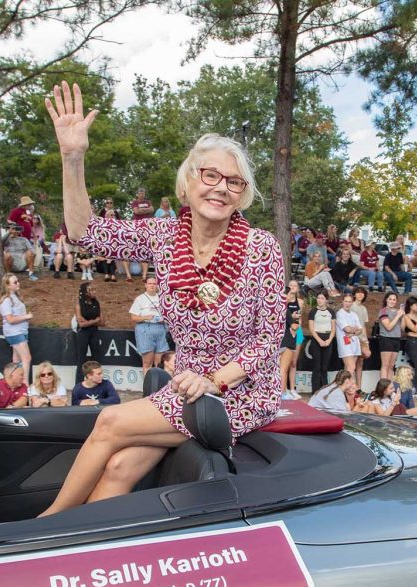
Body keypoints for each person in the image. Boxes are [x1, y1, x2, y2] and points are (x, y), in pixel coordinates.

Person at [41, 85, 284, 513]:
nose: (220, 188)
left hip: (239, 394)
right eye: (210, 175)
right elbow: (85, 233)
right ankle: (78, 547)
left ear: (242, 194)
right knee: (118, 466)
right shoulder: (163, 235)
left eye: (233, 181)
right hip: (187, 389)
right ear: (188, 181)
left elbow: (267, 342)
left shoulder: (262, 247)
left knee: (109, 420)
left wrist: (216, 381)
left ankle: (42, 527)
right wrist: (72, 158)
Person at [130, 275, 170, 374]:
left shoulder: (162, 298)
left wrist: (164, 319)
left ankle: (159, 387)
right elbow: (133, 317)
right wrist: (145, 317)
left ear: (157, 285)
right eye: (150, 283)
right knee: (147, 363)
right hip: (145, 328)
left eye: (154, 283)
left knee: (160, 363)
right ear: (146, 285)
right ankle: (148, 388)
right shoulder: (140, 299)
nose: (152, 285)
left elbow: (169, 314)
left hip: (160, 328)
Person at [0, 273, 34, 379]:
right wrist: (26, 316)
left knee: (17, 360)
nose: (18, 283)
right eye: (15, 282)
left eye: (17, 281)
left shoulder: (15, 297)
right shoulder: (6, 301)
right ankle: (25, 384)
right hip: (14, 332)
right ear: (7, 285)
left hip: (21, 331)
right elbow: (10, 319)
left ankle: (14, 381)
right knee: (26, 358)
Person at [307, 293, 335, 393]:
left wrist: (329, 340)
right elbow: (311, 328)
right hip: (316, 339)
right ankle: (315, 391)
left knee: (324, 367)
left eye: (322, 298)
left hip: (328, 339)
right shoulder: (313, 312)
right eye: (318, 298)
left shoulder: (331, 312)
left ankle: (324, 391)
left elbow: (333, 328)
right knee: (317, 366)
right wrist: (319, 340)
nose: (319, 300)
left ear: (326, 300)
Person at [75, 281, 103, 381]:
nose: (94, 292)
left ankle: (96, 380)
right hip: (83, 332)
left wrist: (89, 322)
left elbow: (102, 322)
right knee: (81, 359)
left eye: (94, 289)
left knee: (97, 358)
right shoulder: (79, 303)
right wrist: (95, 320)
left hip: (94, 332)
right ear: (85, 291)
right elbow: (81, 323)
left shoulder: (96, 302)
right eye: (91, 289)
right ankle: (79, 383)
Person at [334, 292, 363, 378]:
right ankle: (349, 389)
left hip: (354, 343)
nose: (347, 303)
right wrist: (355, 329)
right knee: (351, 368)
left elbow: (360, 330)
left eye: (349, 302)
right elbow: (347, 329)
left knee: (348, 369)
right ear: (342, 302)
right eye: (346, 301)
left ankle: (345, 390)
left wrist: (353, 331)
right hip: (345, 344)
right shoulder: (339, 314)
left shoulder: (354, 314)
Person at [401, 296, 417, 390]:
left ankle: (416, 388)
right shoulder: (406, 316)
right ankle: (414, 388)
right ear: (411, 306)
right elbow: (415, 329)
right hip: (412, 341)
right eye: (416, 305)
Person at [378, 292, 405, 380]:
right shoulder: (383, 311)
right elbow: (388, 327)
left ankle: (390, 387)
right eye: (390, 299)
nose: (392, 301)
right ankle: (383, 388)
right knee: (385, 365)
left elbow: (403, 328)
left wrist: (403, 316)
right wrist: (398, 316)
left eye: (394, 300)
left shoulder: (398, 311)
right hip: (386, 339)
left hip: (396, 339)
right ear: (386, 300)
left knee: (391, 366)